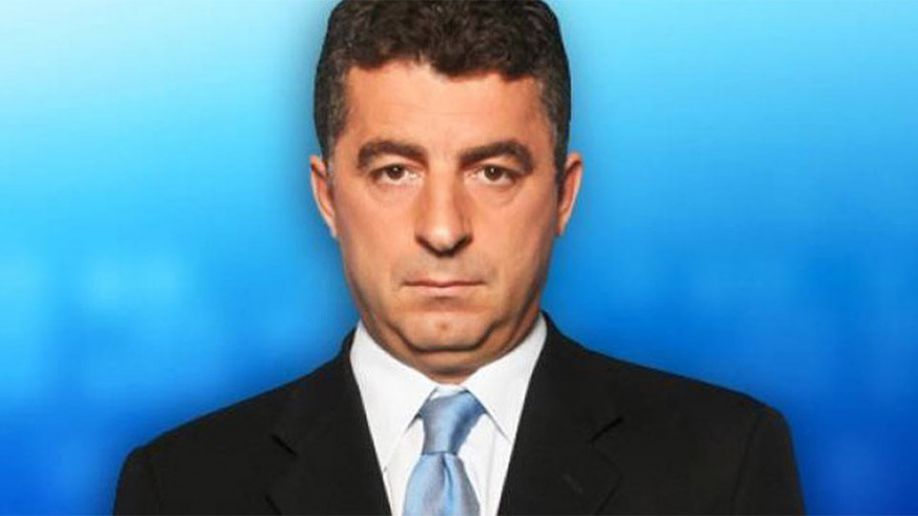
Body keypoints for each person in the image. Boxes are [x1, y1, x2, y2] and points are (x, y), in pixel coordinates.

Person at [113, 1, 805, 514]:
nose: (443, 229)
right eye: (395, 172)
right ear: (327, 196)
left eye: (492, 172)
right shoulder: (180, 489)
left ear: (563, 196)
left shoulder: (724, 464)